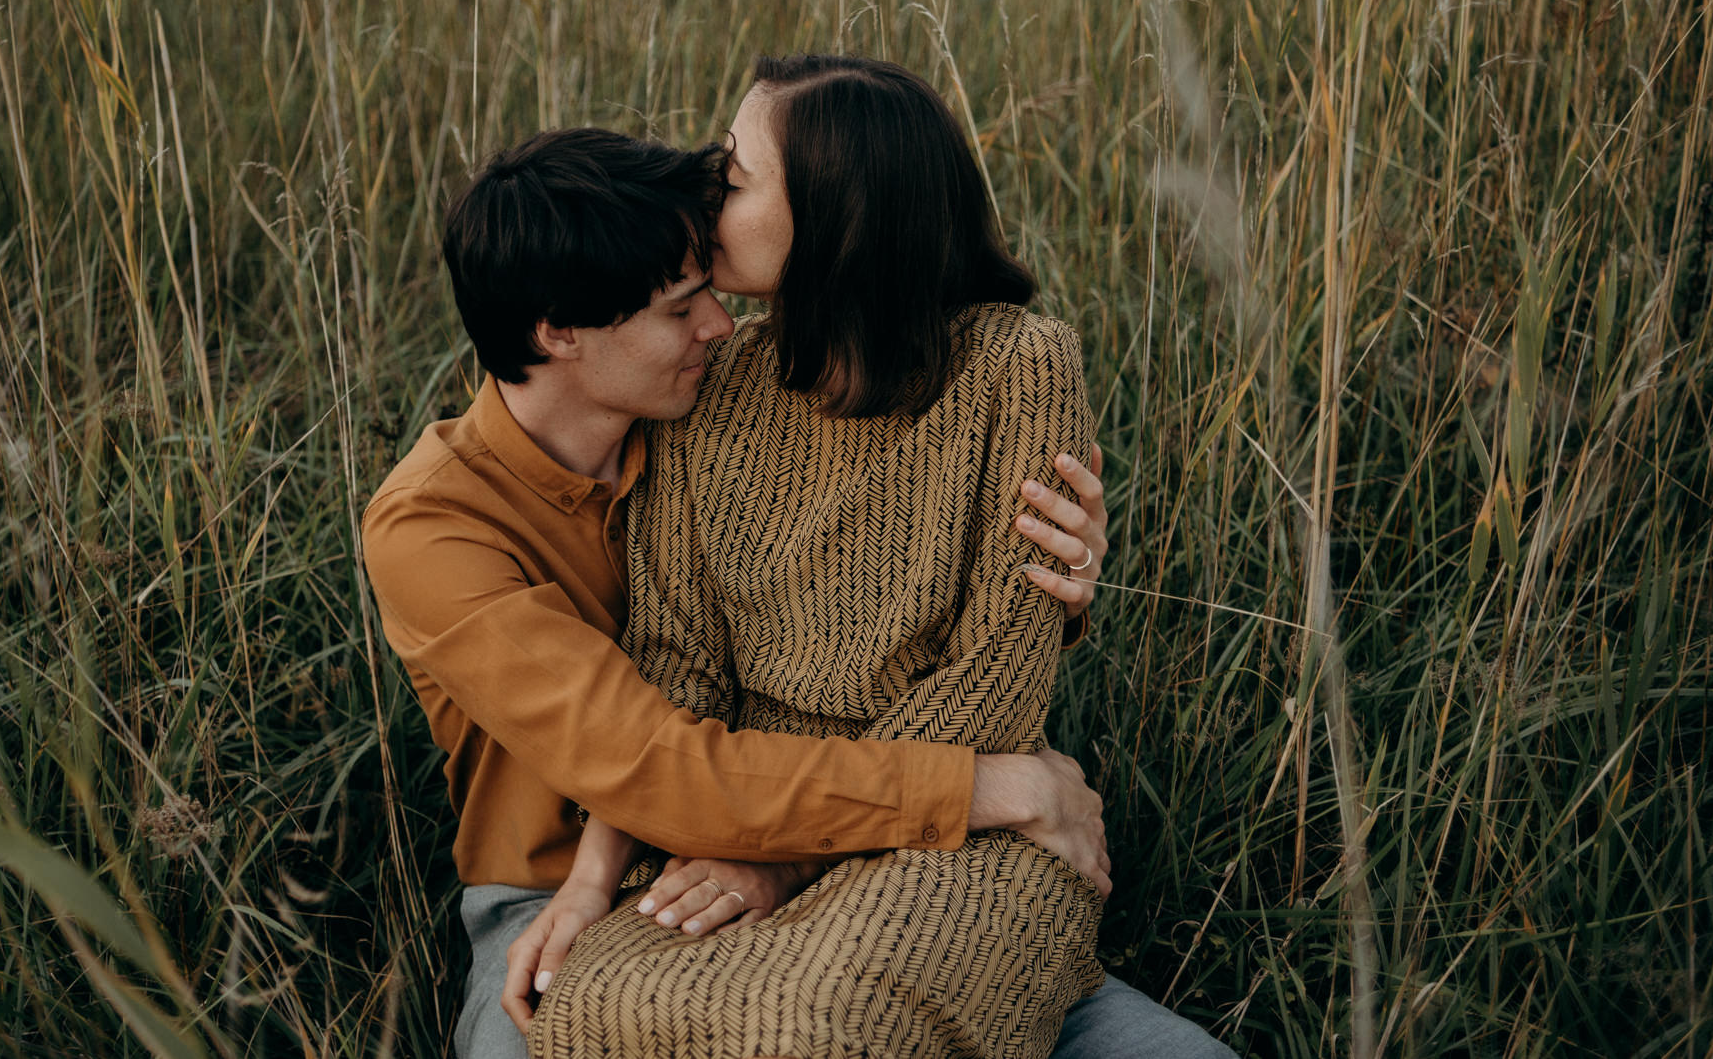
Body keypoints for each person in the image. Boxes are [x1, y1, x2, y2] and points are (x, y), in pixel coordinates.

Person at [513, 57, 1236, 1059]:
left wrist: (784, 861)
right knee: (591, 1013)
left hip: (963, 828)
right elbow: (677, 663)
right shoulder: (707, 380)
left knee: (827, 1028)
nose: (707, 194)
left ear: (840, 210)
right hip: (740, 818)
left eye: (738, 174)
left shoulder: (1017, 365)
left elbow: (997, 677)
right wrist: (621, 875)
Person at [360, 126, 1116, 1059]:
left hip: (881, 866)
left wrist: (1051, 580)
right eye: (682, 308)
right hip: (568, 899)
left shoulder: (703, 410)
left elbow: (887, 573)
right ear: (558, 331)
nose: (719, 326)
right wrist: (985, 785)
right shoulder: (434, 528)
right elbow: (664, 770)